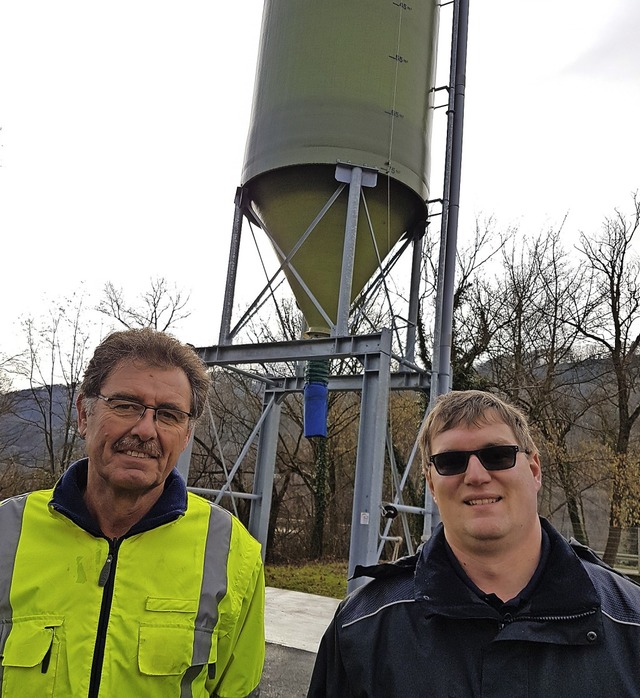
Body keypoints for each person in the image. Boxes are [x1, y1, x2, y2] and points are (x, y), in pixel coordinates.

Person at [308, 389, 640, 697]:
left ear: (535, 469)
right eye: (451, 461)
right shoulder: (361, 629)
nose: (477, 476)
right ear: (432, 485)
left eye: (497, 455)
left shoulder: (630, 621)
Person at [0, 328, 265, 697]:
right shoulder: (6, 533)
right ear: (82, 414)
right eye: (125, 405)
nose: (145, 430)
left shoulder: (234, 553)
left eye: (169, 415)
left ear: (186, 434)